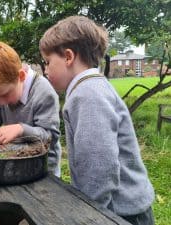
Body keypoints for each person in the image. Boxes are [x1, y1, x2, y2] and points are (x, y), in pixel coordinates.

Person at [39, 16, 155, 225]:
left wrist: (89, 216)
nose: (46, 71)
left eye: (48, 62)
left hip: (119, 213)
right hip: (118, 209)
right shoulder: (89, 87)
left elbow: (98, 165)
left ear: (68, 57)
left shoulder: (88, 93)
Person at [0, 41, 62, 177]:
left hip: (42, 170)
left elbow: (50, 137)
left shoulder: (44, 93)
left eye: (4, 95)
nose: (1, 103)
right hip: (15, 162)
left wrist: (21, 129)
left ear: (21, 76)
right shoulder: (0, 92)